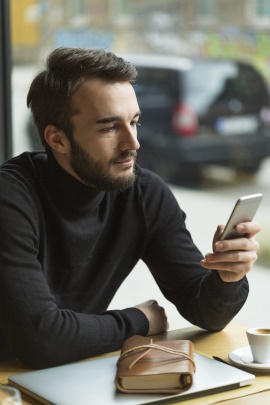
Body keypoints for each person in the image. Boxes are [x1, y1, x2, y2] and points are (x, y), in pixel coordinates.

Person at [0, 47, 260, 369]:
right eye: (110, 127)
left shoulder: (144, 194)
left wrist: (228, 277)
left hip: (64, 373)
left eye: (134, 121)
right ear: (57, 140)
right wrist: (139, 319)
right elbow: (42, 340)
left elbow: (205, 311)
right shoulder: (10, 198)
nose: (133, 142)